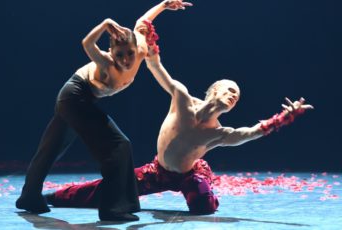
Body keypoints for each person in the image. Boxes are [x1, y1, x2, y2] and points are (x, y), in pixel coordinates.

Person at [43, 26, 314, 214]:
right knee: (110, 191)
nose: (233, 96)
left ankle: (204, 184)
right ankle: (54, 196)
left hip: (188, 175)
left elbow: (252, 132)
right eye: (229, 90)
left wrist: (283, 118)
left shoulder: (219, 133)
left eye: (237, 96)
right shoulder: (182, 98)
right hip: (157, 172)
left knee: (203, 206)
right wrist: (151, 47)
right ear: (214, 91)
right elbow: (157, 69)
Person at [15, 0, 193, 222]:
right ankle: (113, 209)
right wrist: (106, 23)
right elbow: (87, 43)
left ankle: (28, 198)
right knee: (119, 145)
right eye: (119, 55)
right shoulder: (106, 62)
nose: (125, 60)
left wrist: (165, 5)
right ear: (111, 52)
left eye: (129, 53)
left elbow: (142, 22)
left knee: (51, 148)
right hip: (74, 97)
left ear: (137, 49)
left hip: (80, 99)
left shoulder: (140, 48)